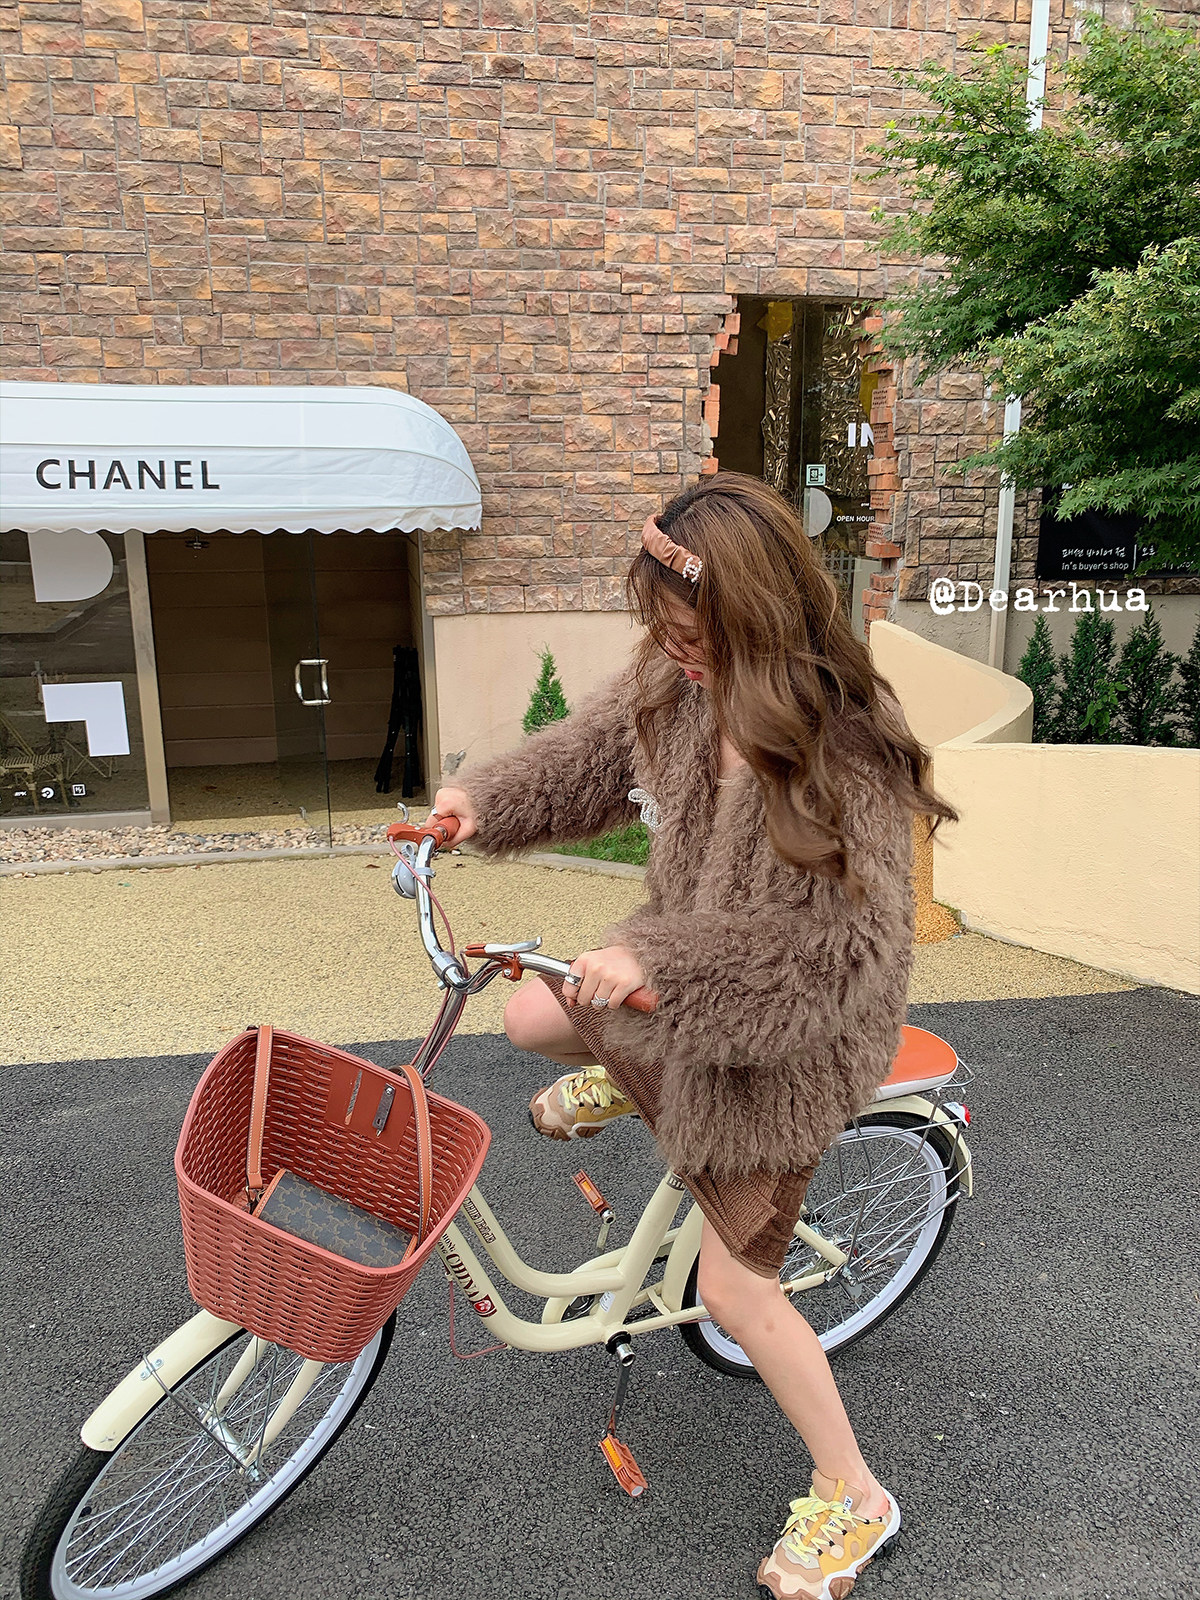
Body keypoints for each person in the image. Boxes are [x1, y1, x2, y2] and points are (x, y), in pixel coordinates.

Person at [430, 472, 957, 1599]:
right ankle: (634, 1077)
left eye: (694, 633)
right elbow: (590, 758)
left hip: (790, 1052)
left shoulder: (841, 751)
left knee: (734, 1295)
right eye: (664, 630)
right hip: (674, 986)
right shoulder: (679, 685)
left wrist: (661, 967)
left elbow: (837, 956)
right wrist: (480, 805)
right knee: (529, 1014)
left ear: (757, 618)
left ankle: (856, 1494)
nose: (676, 652)